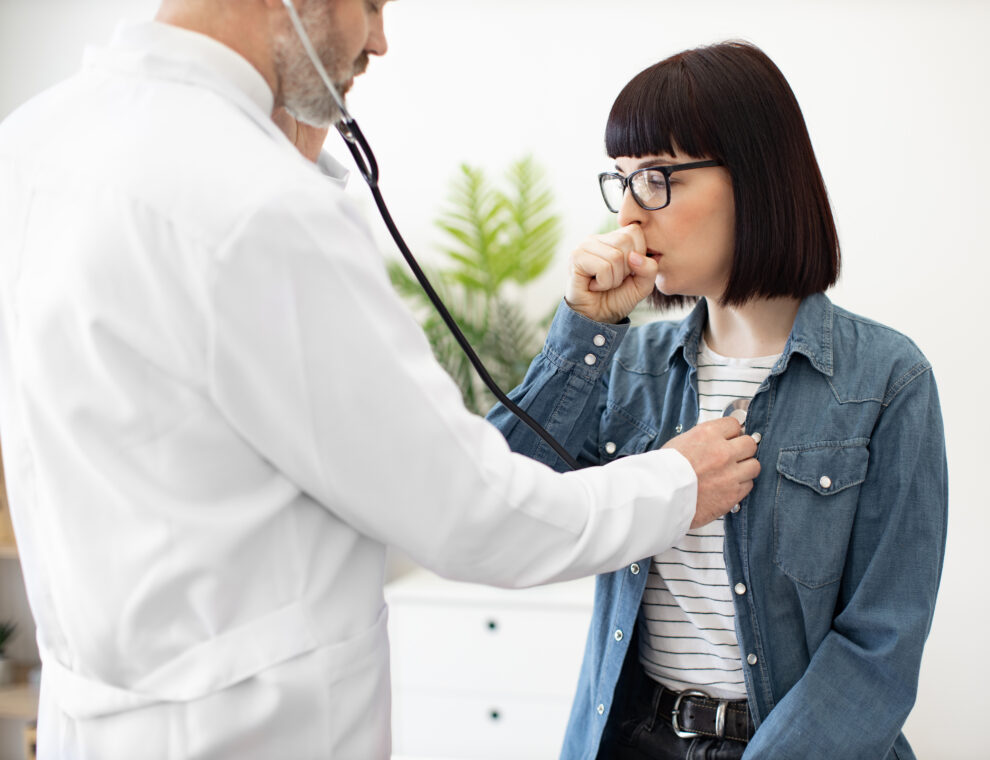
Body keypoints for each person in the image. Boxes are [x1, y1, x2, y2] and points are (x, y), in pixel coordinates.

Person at [0, 2, 763, 758]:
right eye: (370, 3)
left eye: (660, 178)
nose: (380, 40)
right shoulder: (256, 203)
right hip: (248, 732)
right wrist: (677, 482)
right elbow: (473, 511)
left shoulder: (33, 143)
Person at [489, 41, 948, 759]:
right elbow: (498, 501)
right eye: (622, 182)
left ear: (756, 177)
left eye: (659, 178)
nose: (630, 217)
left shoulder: (888, 379)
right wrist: (586, 330)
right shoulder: (626, 366)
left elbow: (881, 646)